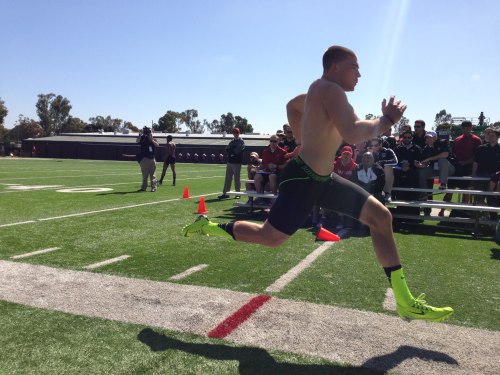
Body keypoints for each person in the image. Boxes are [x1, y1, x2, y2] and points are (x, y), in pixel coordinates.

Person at [183, 45, 453, 322]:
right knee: (271, 238)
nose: (360, 74)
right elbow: (352, 132)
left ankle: (405, 300)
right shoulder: (330, 89)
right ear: (335, 67)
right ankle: (210, 226)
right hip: (303, 179)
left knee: (381, 217)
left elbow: (292, 107)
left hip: (322, 179)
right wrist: (387, 120)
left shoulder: (317, 90)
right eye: (354, 67)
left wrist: (302, 142)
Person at [368, 137, 398, 203]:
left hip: (384, 172)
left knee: (388, 167)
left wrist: (381, 163)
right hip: (373, 172)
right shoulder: (370, 152)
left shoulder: (388, 151)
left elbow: (395, 161)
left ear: (380, 144)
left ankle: (387, 194)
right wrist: (370, 155)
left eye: (376, 145)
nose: (374, 147)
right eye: (372, 145)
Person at [218, 128, 245, 199]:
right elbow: (227, 149)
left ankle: (238, 194)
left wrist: (231, 150)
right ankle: (226, 193)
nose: (235, 134)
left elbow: (237, 151)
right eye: (234, 133)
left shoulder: (241, 141)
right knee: (228, 178)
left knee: (237, 178)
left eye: (237, 133)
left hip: (237, 162)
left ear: (239, 133)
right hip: (230, 161)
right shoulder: (232, 141)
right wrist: (231, 150)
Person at [136, 126, 159, 192]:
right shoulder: (143, 138)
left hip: (152, 159)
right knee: (145, 175)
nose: (150, 133)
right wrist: (140, 135)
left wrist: (151, 140)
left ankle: (153, 188)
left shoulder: (153, 139)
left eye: (150, 131)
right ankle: (144, 188)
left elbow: (157, 145)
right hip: (145, 159)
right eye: (149, 131)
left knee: (153, 175)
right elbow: (137, 141)